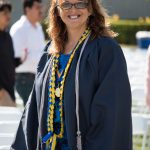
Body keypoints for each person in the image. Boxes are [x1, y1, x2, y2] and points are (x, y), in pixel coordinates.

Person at [11, 0, 132, 150]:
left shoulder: (106, 51)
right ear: (57, 9)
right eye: (66, 4)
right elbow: (33, 108)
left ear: (91, 8)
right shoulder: (50, 51)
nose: (73, 10)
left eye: (80, 3)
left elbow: (110, 114)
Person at [10, 0, 45, 106]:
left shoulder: (38, 28)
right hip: (23, 79)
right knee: (30, 116)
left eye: (40, 7)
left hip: (37, 78)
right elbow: (17, 58)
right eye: (37, 8)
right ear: (27, 9)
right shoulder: (19, 29)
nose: (41, 10)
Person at [0, 0, 21, 105]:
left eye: (9, 13)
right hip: (2, 93)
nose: (8, 16)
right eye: (4, 13)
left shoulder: (8, 36)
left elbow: (8, 62)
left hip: (10, 90)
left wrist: (19, 61)